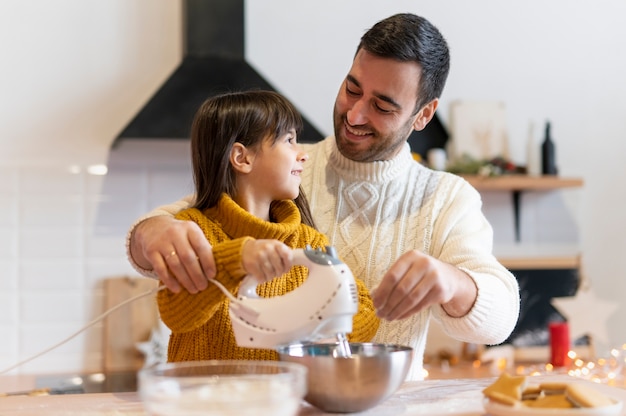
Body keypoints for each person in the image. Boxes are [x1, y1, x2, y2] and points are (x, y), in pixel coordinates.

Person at [126, 13, 519, 380]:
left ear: (422, 115)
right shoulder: (287, 171)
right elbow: (182, 222)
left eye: (382, 106)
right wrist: (152, 234)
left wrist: (453, 283)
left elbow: (499, 319)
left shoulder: (447, 198)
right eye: (352, 89)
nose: (355, 115)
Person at [156, 90, 379, 362]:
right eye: (289, 140)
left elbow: (366, 311)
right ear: (242, 158)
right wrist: (236, 259)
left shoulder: (308, 242)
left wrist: (313, 327)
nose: (303, 155)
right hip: (205, 401)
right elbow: (175, 313)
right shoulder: (192, 230)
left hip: (282, 401)